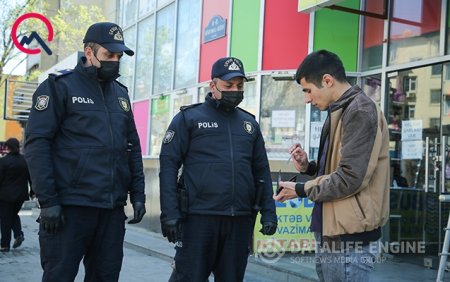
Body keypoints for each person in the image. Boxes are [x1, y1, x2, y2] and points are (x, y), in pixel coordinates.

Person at [24, 22, 146, 281]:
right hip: (69, 208)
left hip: (111, 209)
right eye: (109, 55)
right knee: (59, 276)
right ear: (89, 53)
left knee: (106, 276)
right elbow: (37, 145)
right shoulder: (59, 87)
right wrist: (49, 201)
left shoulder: (120, 95)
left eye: (118, 56)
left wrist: (138, 194)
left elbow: (132, 147)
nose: (115, 61)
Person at [274, 50, 390, 282]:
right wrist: (308, 167)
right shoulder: (340, 110)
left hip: (349, 235)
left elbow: (349, 178)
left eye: (308, 90)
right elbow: (338, 170)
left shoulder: (359, 111)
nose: (307, 99)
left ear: (327, 80)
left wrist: (300, 189)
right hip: (332, 229)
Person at [159, 57, 277, 281]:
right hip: (198, 221)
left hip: (239, 221)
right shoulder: (189, 118)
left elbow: (261, 171)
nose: (235, 90)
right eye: (229, 85)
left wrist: (269, 213)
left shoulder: (249, 124)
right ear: (213, 86)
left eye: (239, 86)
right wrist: (169, 213)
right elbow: (168, 166)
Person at [0, 138, 31, 252]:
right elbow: (30, 177)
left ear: (7, 147)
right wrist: (33, 190)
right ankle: (18, 234)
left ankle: (4, 245)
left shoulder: (3, 161)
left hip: (5, 196)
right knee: (14, 215)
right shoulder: (25, 161)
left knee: (5, 219)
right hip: (21, 195)